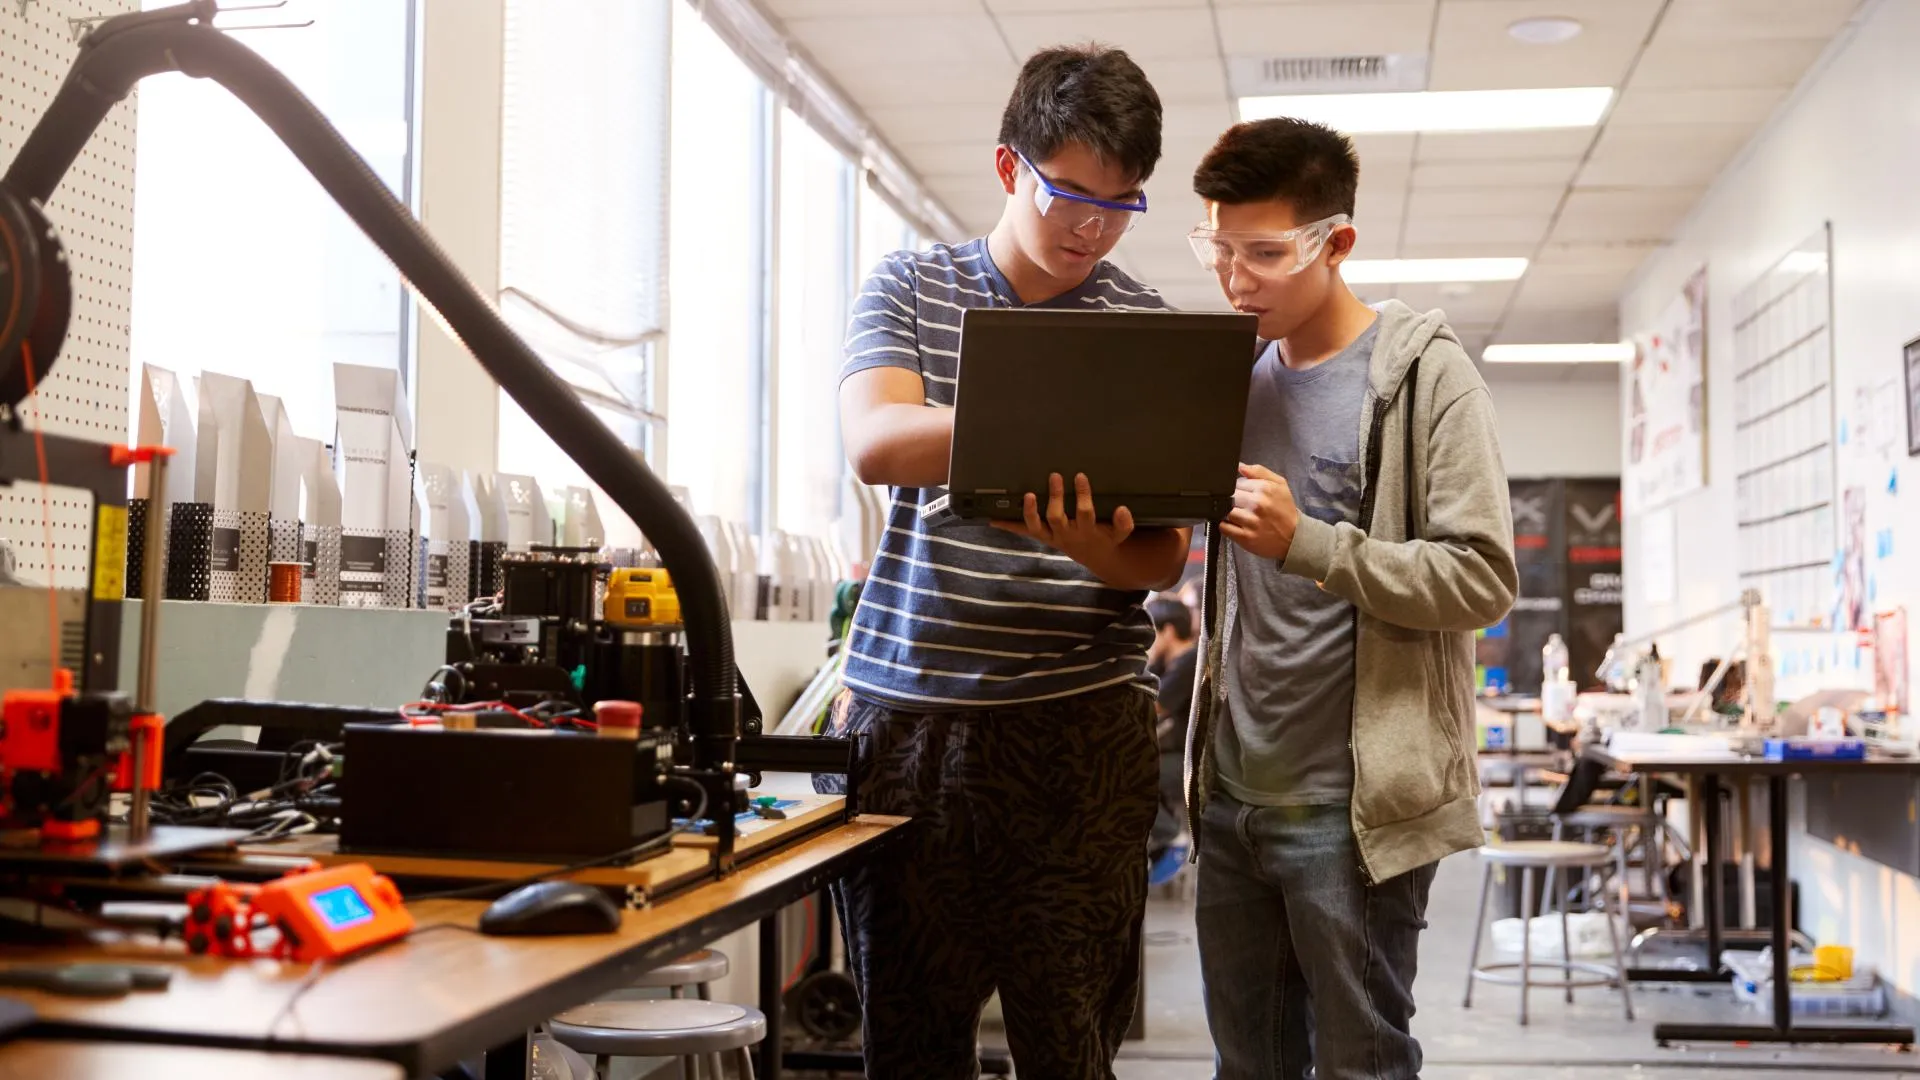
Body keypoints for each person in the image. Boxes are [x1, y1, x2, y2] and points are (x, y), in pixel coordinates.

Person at [828, 44, 1187, 1080]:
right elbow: (876, 441)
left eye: (1123, 203)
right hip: (910, 724)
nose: (1092, 226)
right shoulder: (911, 285)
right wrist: (1047, 417)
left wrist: (1090, 544)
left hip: (1079, 727)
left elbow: (1155, 557)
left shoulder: (1137, 326)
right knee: (910, 1044)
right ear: (1006, 169)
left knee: (1070, 1047)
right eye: (1070, 192)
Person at [1182, 117, 1519, 1080]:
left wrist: (1313, 545)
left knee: (1363, 1063)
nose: (1236, 278)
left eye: (1264, 252)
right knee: (1247, 1066)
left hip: (1355, 811)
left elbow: (1483, 576)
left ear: (1336, 242)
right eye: (1217, 249)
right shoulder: (1233, 384)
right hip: (1234, 795)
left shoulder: (1424, 379)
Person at [1147, 595, 1197, 879]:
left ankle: (1170, 835)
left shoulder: (1189, 661)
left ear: (1166, 631)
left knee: (1132, 775)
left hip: (1190, 762)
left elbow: (1154, 704)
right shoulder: (1173, 664)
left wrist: (1150, 659)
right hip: (1176, 756)